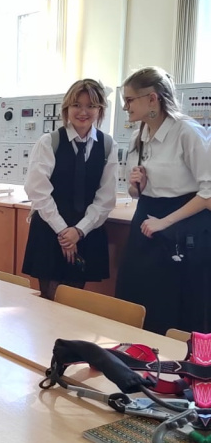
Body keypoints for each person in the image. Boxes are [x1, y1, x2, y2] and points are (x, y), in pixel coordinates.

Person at [115, 67, 211, 334]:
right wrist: (138, 186)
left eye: (130, 100)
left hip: (181, 224)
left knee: (172, 307)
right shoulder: (138, 136)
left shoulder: (187, 132)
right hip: (146, 220)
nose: (125, 107)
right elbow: (134, 192)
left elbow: (208, 194)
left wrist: (164, 222)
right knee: (135, 297)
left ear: (152, 99)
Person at [22, 79, 117, 300]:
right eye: (76, 105)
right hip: (50, 228)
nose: (83, 112)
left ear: (100, 109)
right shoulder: (49, 142)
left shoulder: (107, 145)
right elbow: (37, 190)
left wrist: (79, 231)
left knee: (73, 299)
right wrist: (64, 232)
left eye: (91, 106)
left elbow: (106, 197)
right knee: (48, 299)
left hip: (85, 230)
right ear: (66, 108)